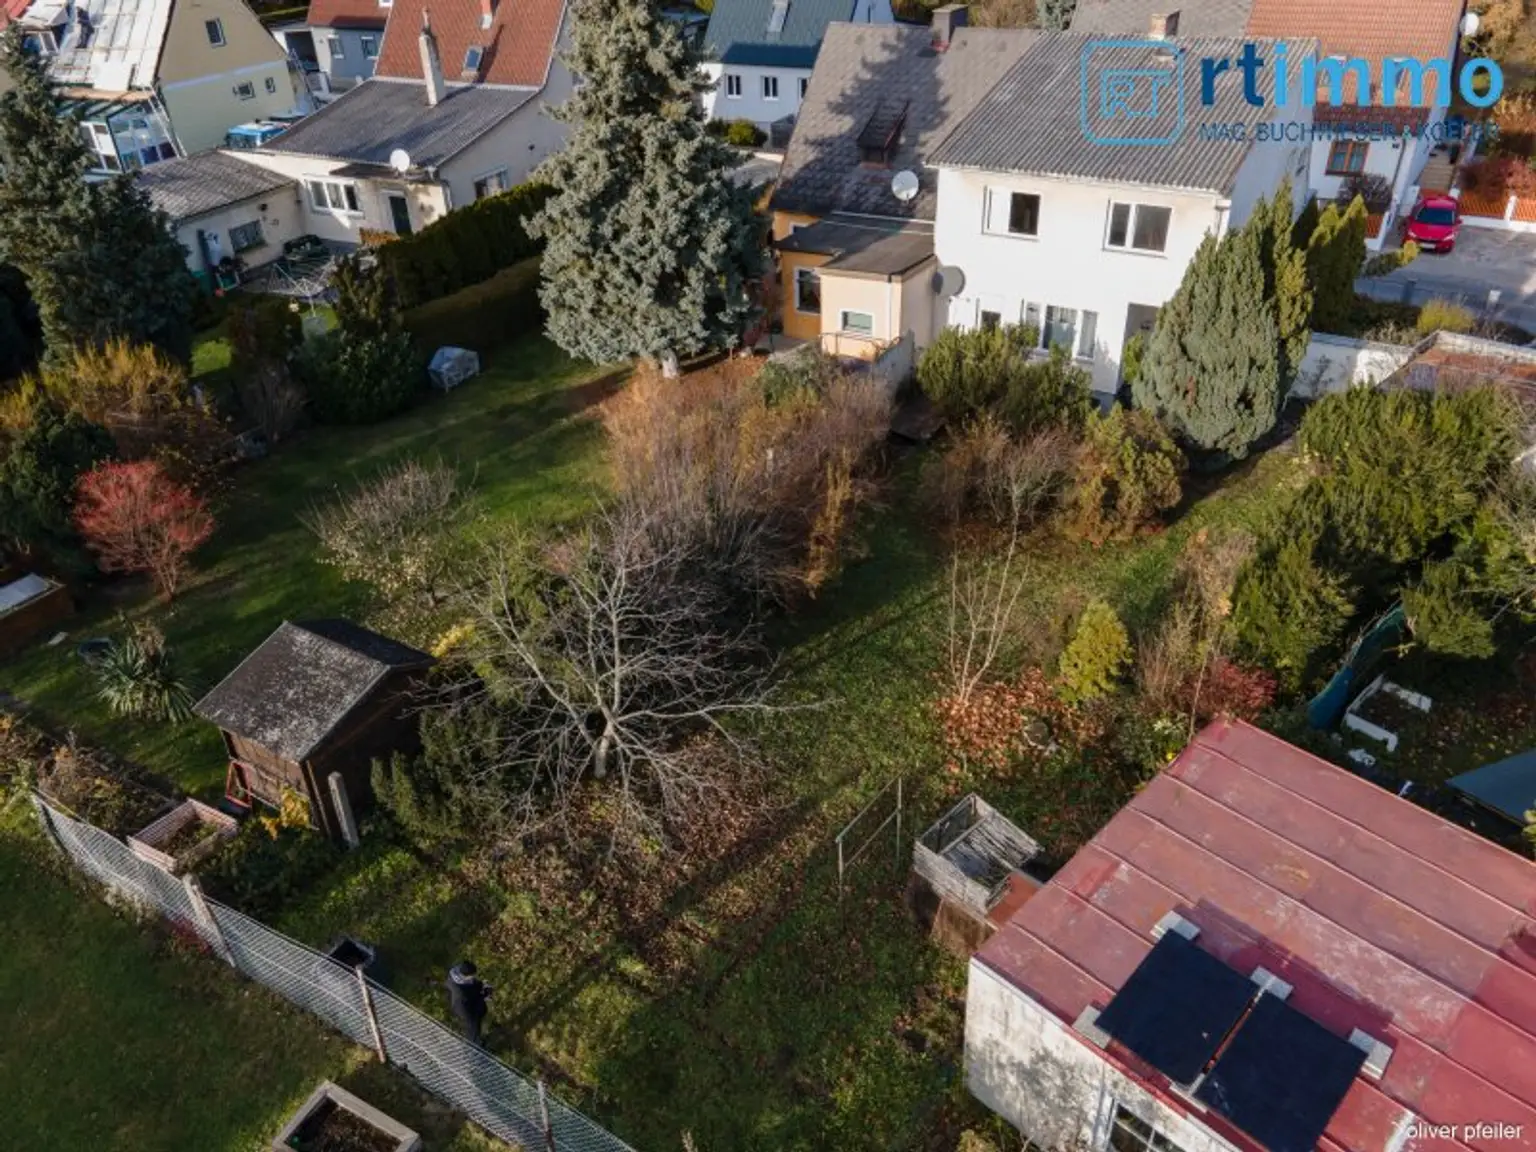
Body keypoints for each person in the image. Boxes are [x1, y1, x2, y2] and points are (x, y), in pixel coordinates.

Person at [446, 959, 493, 1046]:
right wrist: (485, 993)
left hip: (463, 1000)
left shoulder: (456, 973)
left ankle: (477, 1036)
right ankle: (474, 1046)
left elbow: (472, 984)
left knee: (480, 1011)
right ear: (465, 976)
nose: (474, 976)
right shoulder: (461, 992)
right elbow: (473, 994)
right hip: (462, 1008)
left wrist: (482, 985)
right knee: (472, 1026)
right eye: (472, 975)